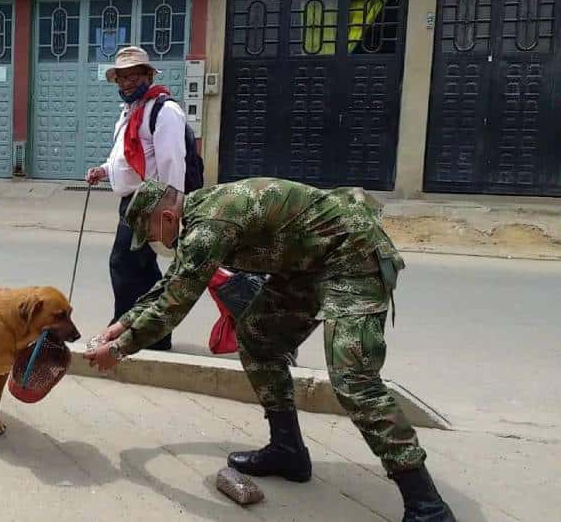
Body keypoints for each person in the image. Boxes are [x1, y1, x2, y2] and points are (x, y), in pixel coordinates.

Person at [84, 178, 456, 522]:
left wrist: (118, 351)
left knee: (353, 379)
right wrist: (118, 326)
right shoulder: (195, 219)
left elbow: (173, 307)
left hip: (350, 254)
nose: (154, 242)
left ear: (166, 216)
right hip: (305, 266)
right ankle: (288, 451)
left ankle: (427, 506)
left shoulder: (208, 227)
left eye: (150, 233)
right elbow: (170, 285)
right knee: (257, 335)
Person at [85, 46, 186, 351]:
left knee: (125, 264)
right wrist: (104, 171)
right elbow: (126, 157)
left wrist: (169, 212)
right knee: (142, 269)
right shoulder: (132, 110)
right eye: (121, 77)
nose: (126, 83)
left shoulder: (164, 111)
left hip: (151, 203)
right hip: (132, 202)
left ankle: (125, 331)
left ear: (147, 74)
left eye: (132, 76)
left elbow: (172, 163)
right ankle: (153, 333)